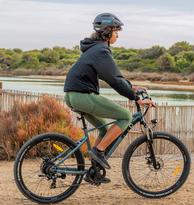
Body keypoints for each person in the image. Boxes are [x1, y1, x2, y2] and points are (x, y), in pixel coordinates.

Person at [64, 13, 155, 183]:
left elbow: (112, 76)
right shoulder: (101, 51)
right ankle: (99, 152)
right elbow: (114, 80)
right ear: (107, 32)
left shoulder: (95, 49)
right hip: (82, 96)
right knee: (125, 116)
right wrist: (136, 98)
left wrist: (131, 87)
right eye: (116, 31)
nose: (118, 35)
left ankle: (94, 171)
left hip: (73, 95)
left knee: (104, 130)